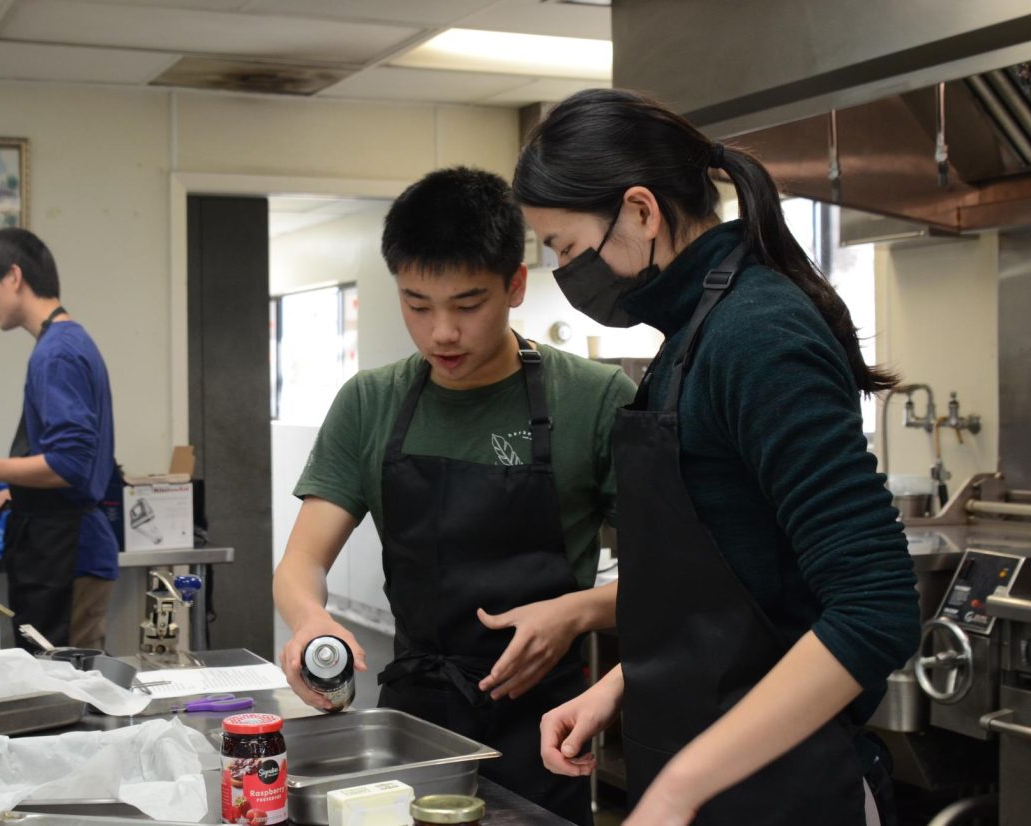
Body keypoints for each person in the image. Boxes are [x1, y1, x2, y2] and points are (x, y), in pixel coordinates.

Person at [514, 88, 920, 826]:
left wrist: (677, 787)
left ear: (640, 212)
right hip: (708, 782)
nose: (569, 275)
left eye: (567, 250)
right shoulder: (691, 336)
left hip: (789, 795)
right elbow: (740, 598)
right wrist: (626, 687)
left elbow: (876, 608)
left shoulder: (756, 336)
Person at [273, 166, 637, 825]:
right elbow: (301, 564)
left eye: (467, 306)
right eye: (417, 305)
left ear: (516, 286)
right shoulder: (370, 401)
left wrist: (576, 612)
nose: (442, 332)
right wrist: (309, 620)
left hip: (544, 728)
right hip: (412, 730)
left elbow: (680, 582)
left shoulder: (594, 399)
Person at [0, 228, 118, 652]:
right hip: (58, 549)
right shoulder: (62, 343)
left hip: (68, 555)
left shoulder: (57, 352)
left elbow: (71, 463)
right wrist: (5, 495)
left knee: (68, 696)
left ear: (14, 277)